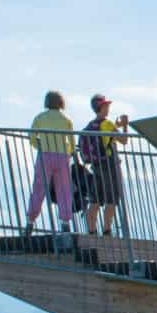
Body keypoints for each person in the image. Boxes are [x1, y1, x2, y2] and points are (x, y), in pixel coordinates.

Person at [23, 90, 76, 233]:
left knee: (39, 188)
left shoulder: (40, 118)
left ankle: (30, 221)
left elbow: (32, 138)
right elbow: (71, 140)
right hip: (62, 157)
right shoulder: (66, 119)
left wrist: (38, 146)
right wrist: (70, 152)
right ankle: (65, 222)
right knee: (64, 189)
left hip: (45, 155)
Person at [78, 93, 129, 237]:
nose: (108, 107)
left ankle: (91, 231)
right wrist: (125, 126)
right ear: (102, 107)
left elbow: (105, 133)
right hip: (110, 165)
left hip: (96, 166)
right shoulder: (107, 124)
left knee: (95, 200)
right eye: (106, 105)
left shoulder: (90, 126)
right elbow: (124, 140)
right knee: (111, 199)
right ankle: (107, 231)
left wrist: (116, 125)